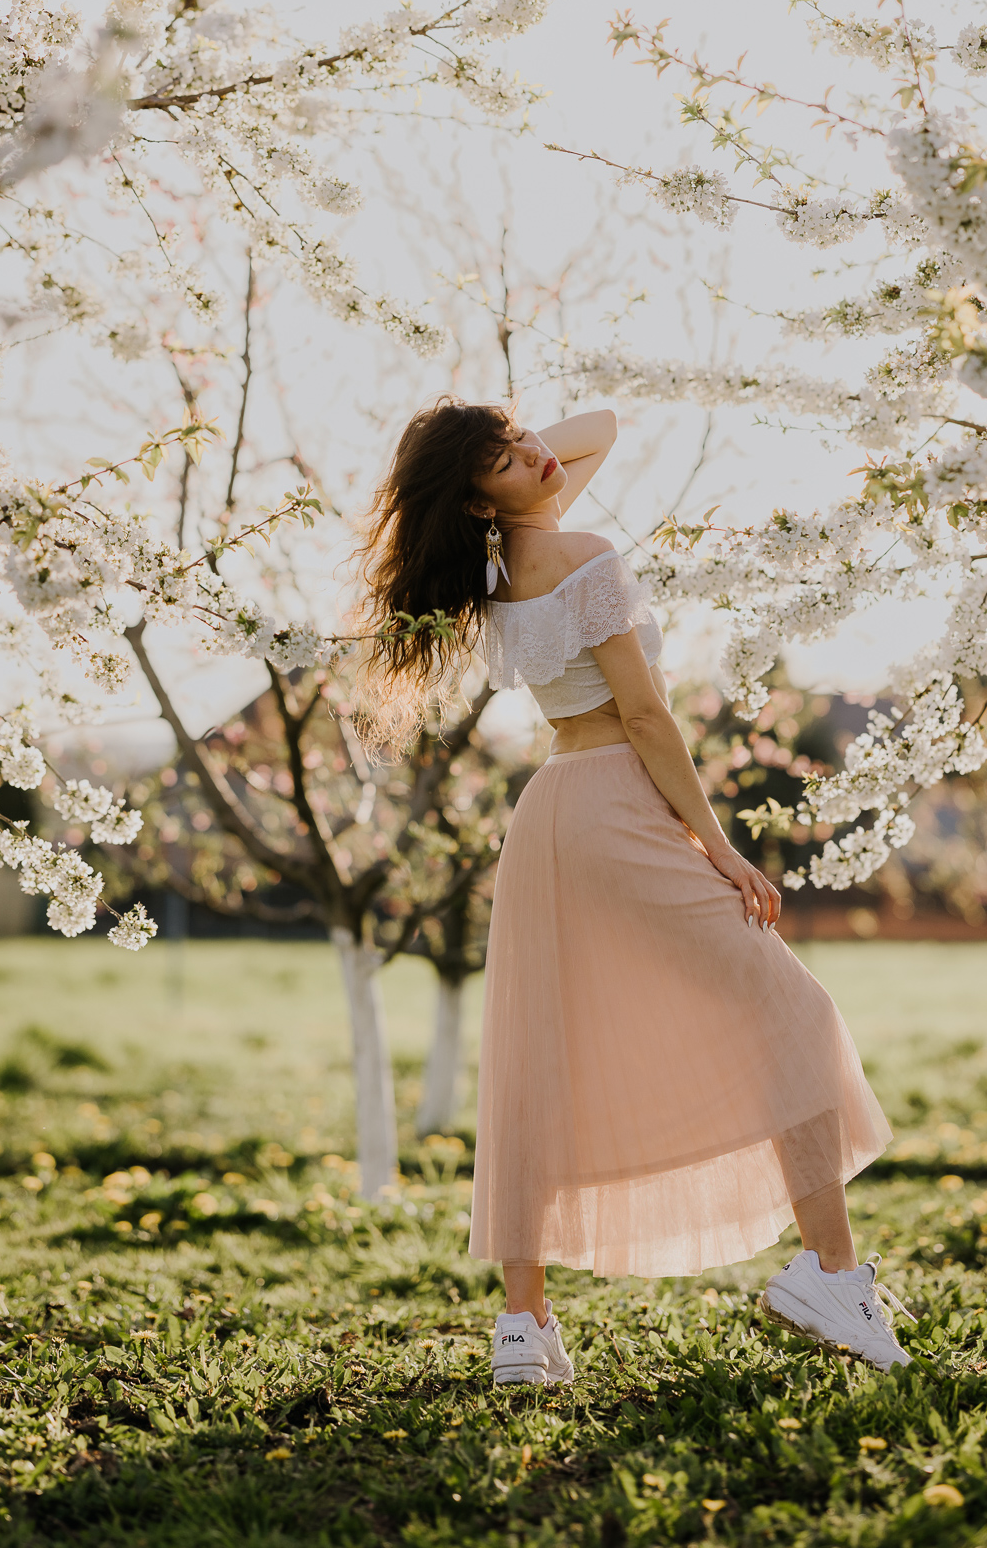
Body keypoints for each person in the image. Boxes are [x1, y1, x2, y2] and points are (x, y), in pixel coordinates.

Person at [355, 397, 913, 1386]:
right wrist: (722, 848)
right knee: (794, 1012)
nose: (536, 452)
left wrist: (501, 456)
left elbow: (592, 430)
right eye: (503, 456)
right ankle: (832, 1272)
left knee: (535, 1056)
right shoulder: (584, 553)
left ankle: (522, 1330)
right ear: (474, 495)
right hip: (619, 799)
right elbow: (648, 717)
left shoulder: (497, 574)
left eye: (523, 437)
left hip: (549, 815)